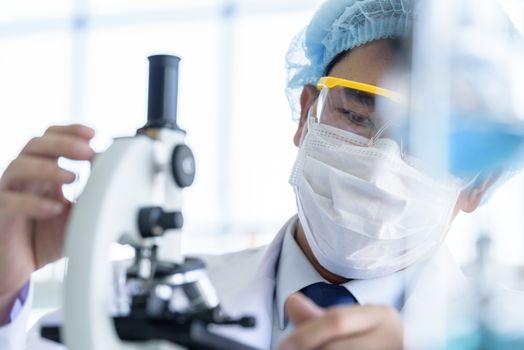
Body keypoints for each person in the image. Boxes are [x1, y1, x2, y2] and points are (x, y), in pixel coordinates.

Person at [0, 0, 506, 349]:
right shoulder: (127, 303)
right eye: (354, 114)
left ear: (477, 184)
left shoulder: (499, 336)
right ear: (307, 111)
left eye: (427, 142)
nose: (379, 162)